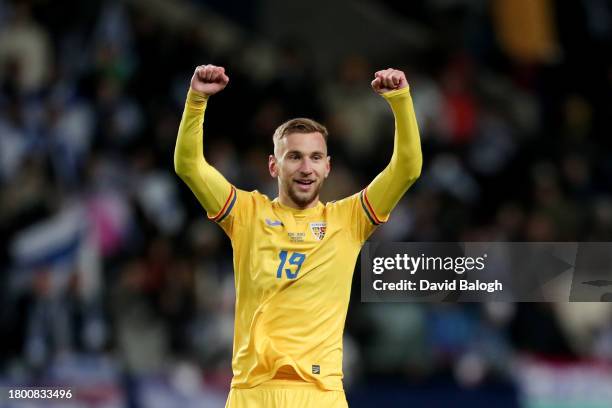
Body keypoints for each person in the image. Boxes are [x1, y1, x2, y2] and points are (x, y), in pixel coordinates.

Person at [174, 64, 422, 407]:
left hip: (320, 395)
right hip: (252, 393)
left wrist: (401, 101)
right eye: (294, 157)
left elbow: (407, 167)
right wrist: (197, 100)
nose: (306, 167)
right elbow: (189, 165)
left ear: (327, 167)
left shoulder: (349, 220)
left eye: (315, 157)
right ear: (274, 166)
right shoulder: (246, 214)